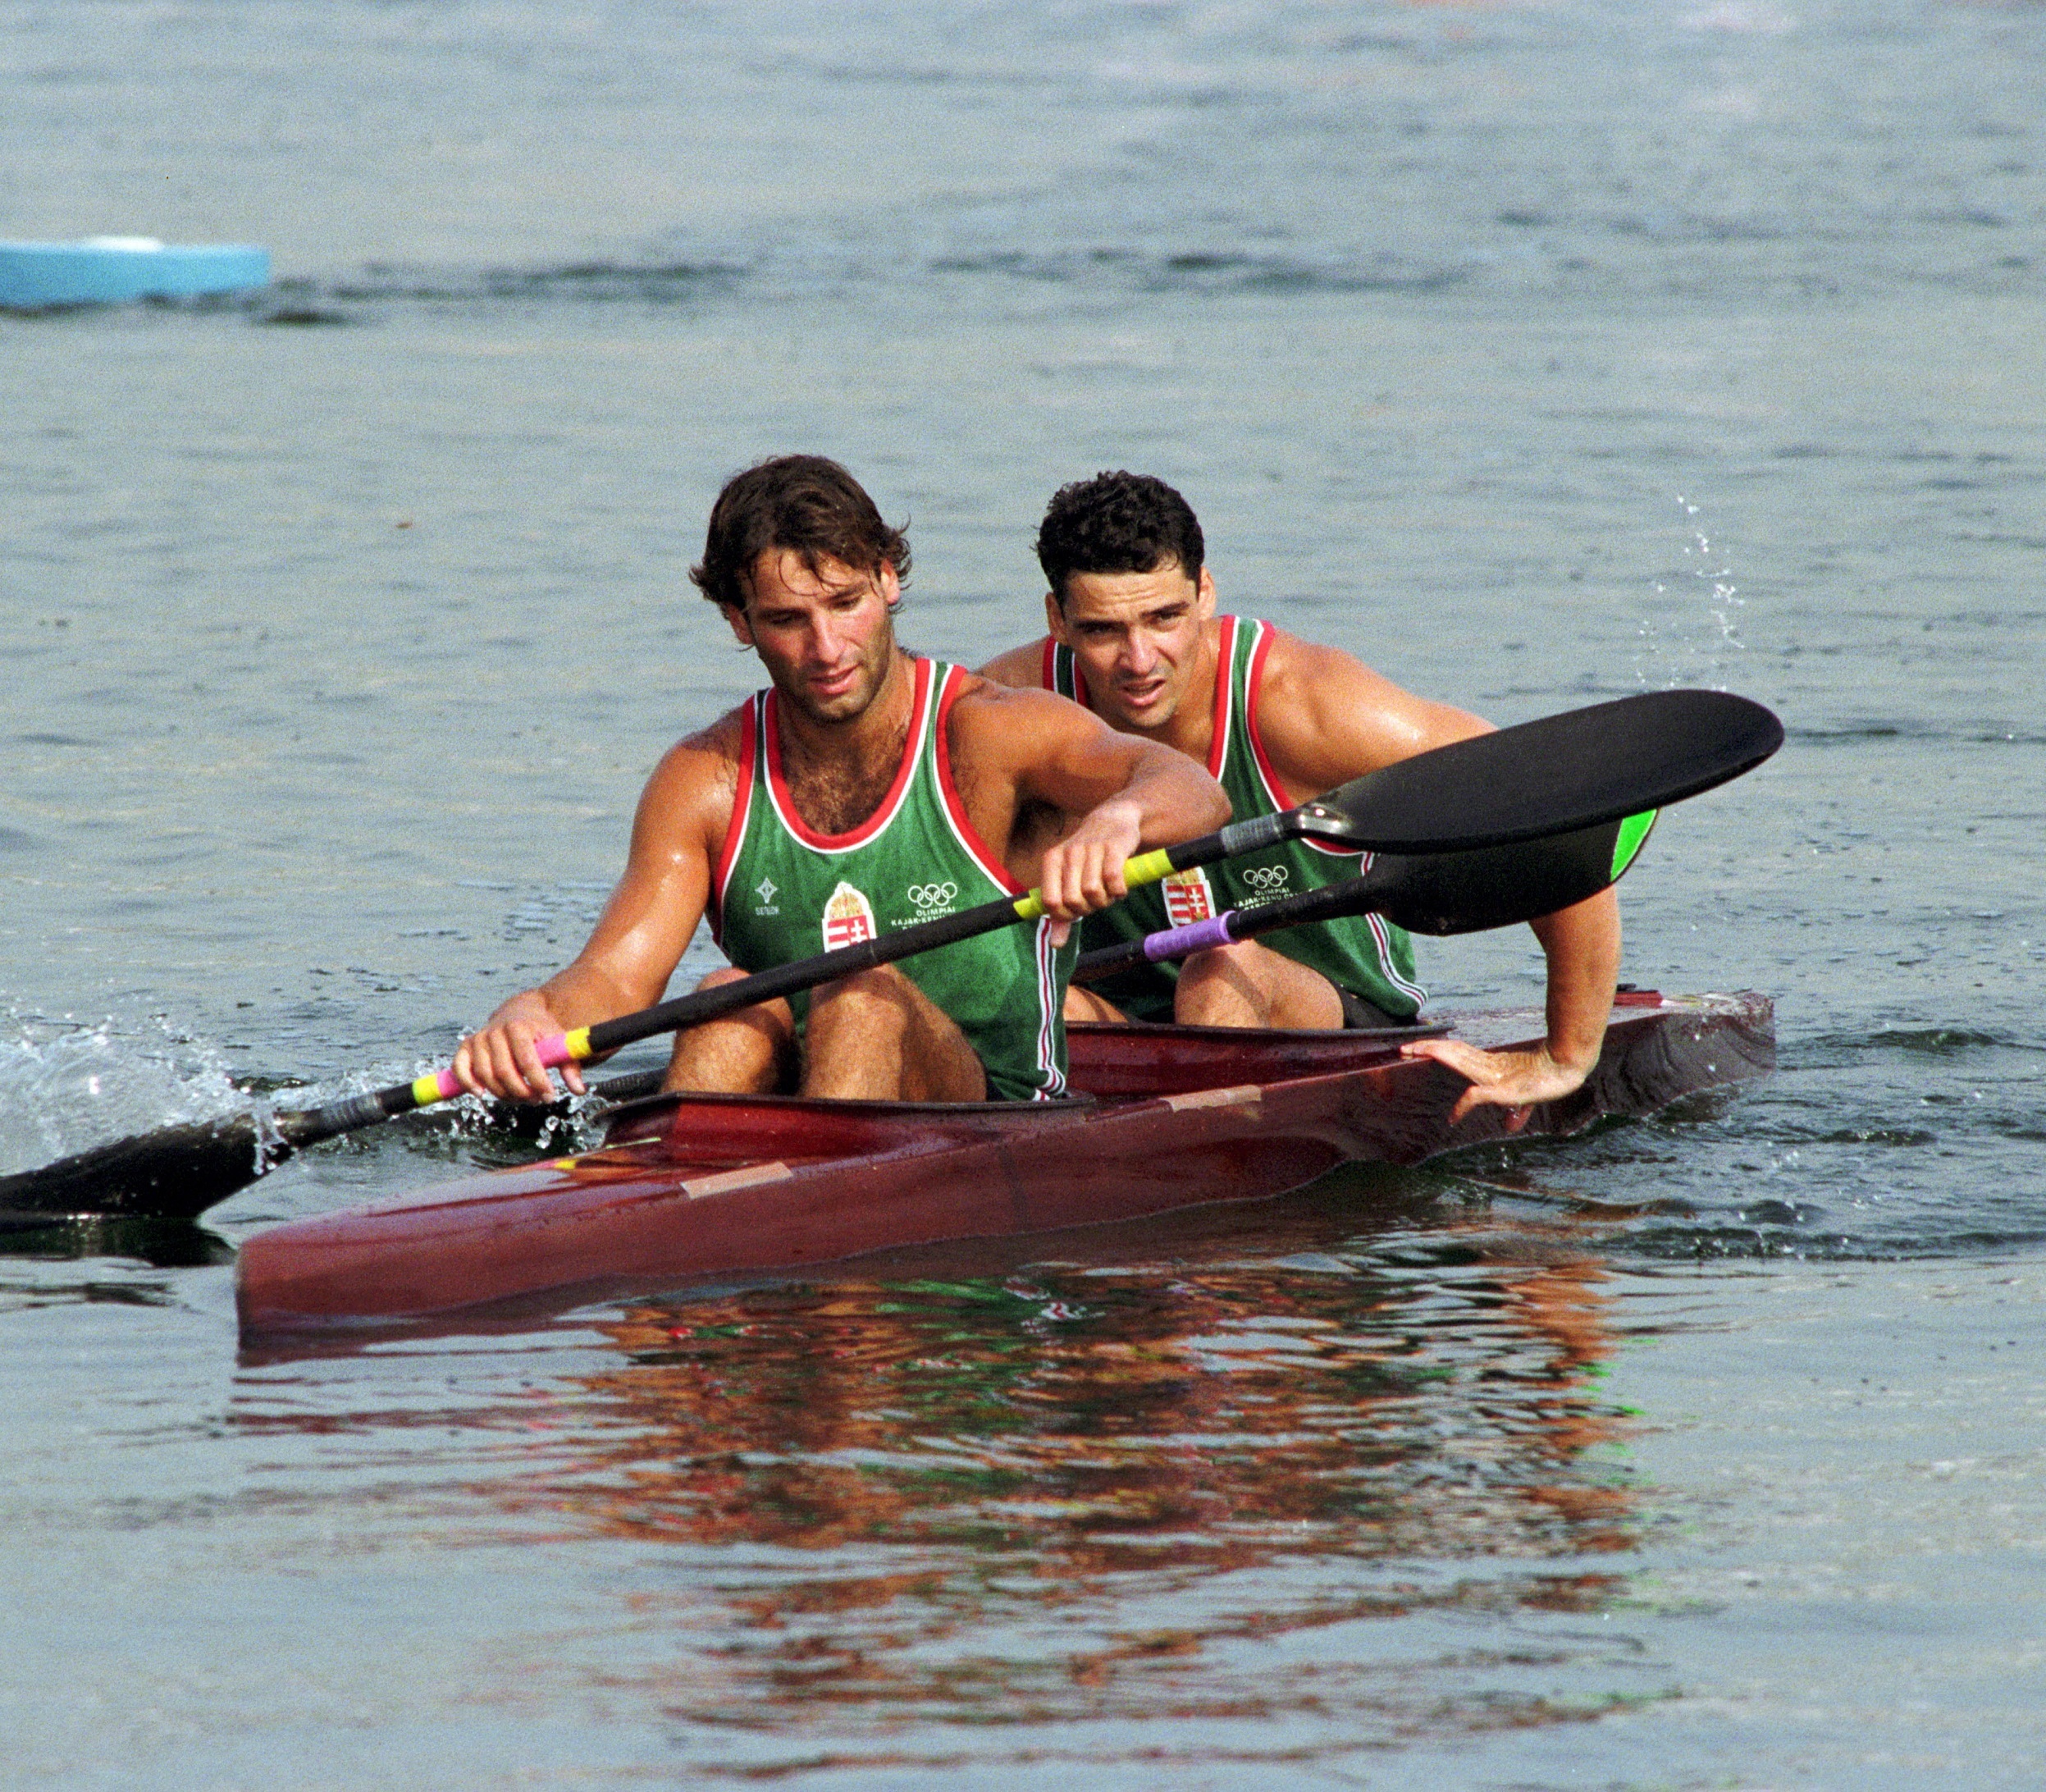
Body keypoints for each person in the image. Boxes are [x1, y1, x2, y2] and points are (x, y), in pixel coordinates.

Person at [452, 455, 1229, 1107]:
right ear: (737, 621)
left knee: (862, 995)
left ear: (888, 580)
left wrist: (1120, 820)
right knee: (724, 1002)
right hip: (803, 1099)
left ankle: (817, 1272)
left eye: (846, 604)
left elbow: (1189, 786)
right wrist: (534, 1016)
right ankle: (698, 1266)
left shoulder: (991, 731)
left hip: (990, 1106)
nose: (827, 647)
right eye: (788, 620)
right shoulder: (705, 778)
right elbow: (615, 975)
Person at [978, 470, 1623, 1126]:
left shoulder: (1305, 704)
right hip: (1121, 1014)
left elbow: (1550, 814)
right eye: (1102, 630)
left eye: (1165, 617)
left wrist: (1565, 1054)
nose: (1140, 659)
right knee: (998, 990)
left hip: (1327, 1015)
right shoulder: (1009, 704)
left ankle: (1211, 1182)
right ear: (1057, 619)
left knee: (1218, 965)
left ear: (1204, 594)